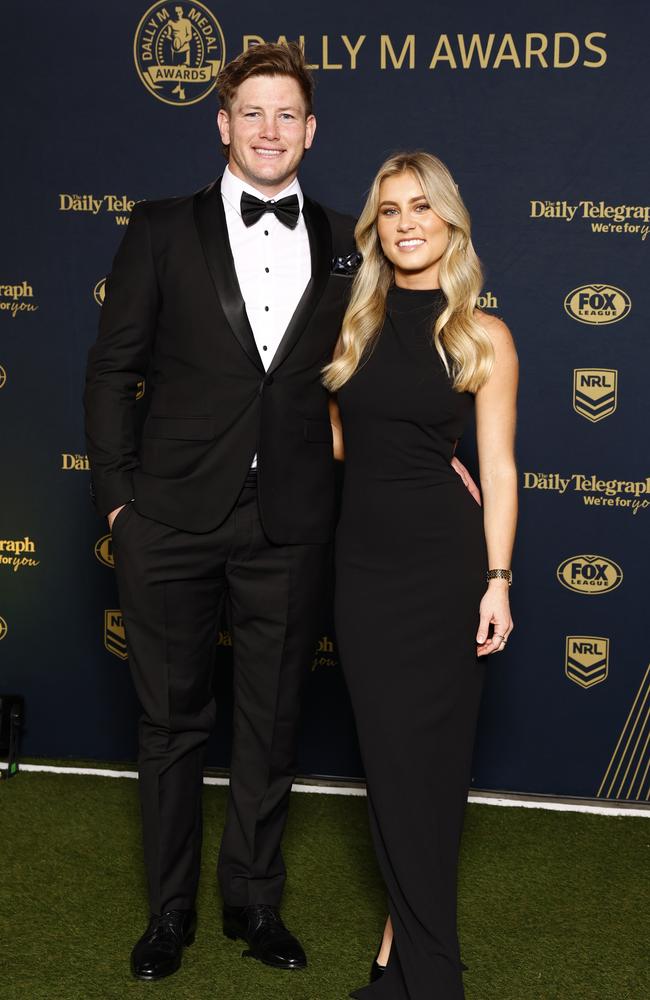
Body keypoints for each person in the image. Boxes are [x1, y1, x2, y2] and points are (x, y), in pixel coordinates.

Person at [84, 42, 476, 984]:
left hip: (294, 523)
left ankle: (255, 901)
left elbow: (399, 369)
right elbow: (111, 371)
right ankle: (168, 915)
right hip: (169, 518)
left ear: (311, 130)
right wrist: (119, 508)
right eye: (251, 113)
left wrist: (446, 463)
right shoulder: (158, 229)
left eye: (286, 115)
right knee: (171, 724)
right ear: (223, 126)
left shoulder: (354, 241)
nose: (269, 130)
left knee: (272, 723)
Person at [325, 152, 518, 1000]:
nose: (407, 223)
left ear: (450, 221)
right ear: (377, 226)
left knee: (427, 778)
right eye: (391, 210)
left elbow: (502, 468)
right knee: (395, 773)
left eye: (423, 208)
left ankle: (423, 978)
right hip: (363, 571)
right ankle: (397, 964)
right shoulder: (354, 323)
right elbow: (343, 438)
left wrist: (498, 579)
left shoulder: (481, 333)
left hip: (445, 574)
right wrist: (421, 459)